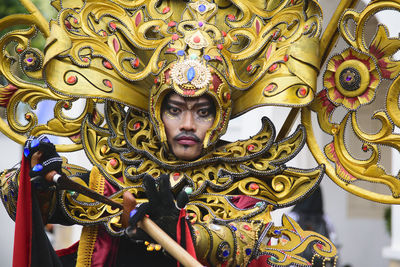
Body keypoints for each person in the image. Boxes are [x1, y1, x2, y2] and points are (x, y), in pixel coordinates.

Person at [0, 0, 338, 266]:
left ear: (220, 118)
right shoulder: (116, 175)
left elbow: (249, 245)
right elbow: (26, 200)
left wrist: (185, 230)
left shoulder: (241, 188)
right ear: (156, 113)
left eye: (203, 112)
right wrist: (39, 179)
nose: (188, 125)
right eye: (175, 110)